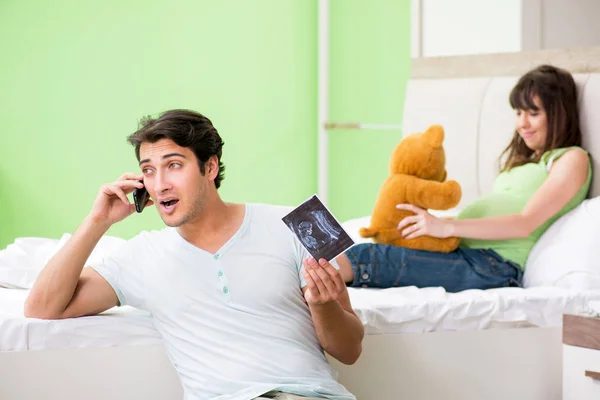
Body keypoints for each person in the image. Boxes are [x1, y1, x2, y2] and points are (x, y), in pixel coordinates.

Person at [24, 110, 363, 400]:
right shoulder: (143, 255)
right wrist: (96, 221)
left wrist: (324, 306)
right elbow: (41, 307)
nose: (159, 185)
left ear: (210, 167)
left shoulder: (302, 221)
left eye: (173, 165)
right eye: (149, 170)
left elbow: (349, 351)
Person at [335, 64, 592, 293]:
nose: (522, 124)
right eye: (518, 112)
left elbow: (525, 223)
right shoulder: (523, 163)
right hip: (466, 252)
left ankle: (308, 283)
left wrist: (446, 227)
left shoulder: (572, 159)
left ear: (559, 113)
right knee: (361, 247)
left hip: (493, 266)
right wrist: (432, 224)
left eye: (533, 113)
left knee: (368, 257)